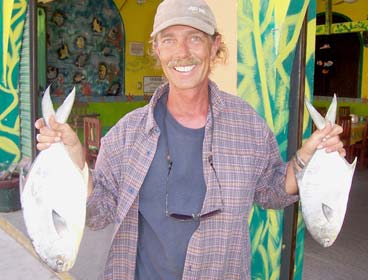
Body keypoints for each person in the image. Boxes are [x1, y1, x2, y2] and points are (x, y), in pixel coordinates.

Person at [35, 0, 345, 279]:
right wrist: (74, 160)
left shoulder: (248, 125)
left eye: (195, 37)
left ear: (215, 46)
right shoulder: (125, 135)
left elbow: (273, 191)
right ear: (157, 49)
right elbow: (98, 213)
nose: (182, 52)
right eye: (168, 39)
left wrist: (307, 156)